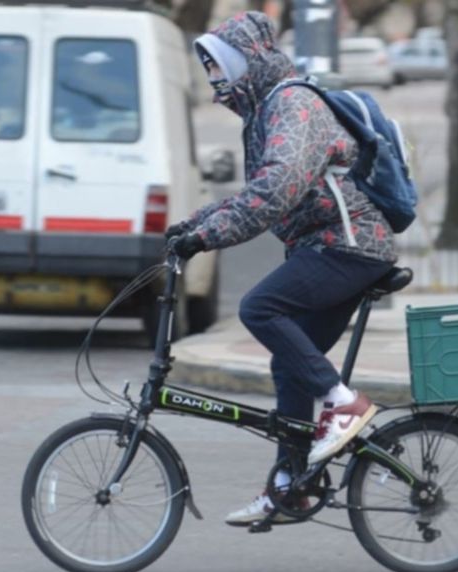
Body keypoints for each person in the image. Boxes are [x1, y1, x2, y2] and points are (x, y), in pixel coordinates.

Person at [167, 12, 397, 526]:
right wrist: (191, 224)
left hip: (349, 246)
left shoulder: (293, 105)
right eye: (209, 74)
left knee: (260, 307)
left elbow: (276, 190)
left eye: (220, 70)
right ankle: (290, 487)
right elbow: (255, 193)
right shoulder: (268, 110)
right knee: (291, 362)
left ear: (247, 64)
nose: (215, 84)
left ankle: (344, 405)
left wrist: (207, 238)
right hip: (332, 247)